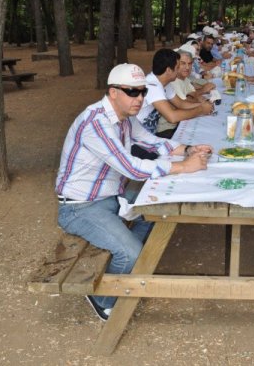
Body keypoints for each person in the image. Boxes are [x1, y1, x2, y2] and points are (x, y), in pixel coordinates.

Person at [55, 63, 212, 321]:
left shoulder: (125, 117)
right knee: (131, 253)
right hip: (80, 208)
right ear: (113, 92)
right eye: (132, 91)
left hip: (109, 197)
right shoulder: (96, 123)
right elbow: (132, 168)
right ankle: (103, 298)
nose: (139, 98)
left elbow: (152, 141)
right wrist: (183, 166)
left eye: (142, 92)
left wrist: (188, 149)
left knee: (159, 208)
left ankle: (128, 264)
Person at [136, 48, 214, 139]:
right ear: (169, 70)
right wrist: (201, 110)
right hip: (139, 139)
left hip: (148, 135)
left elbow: (181, 104)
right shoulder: (152, 86)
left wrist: (204, 105)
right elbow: (172, 117)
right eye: (177, 68)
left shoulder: (164, 83)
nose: (179, 70)